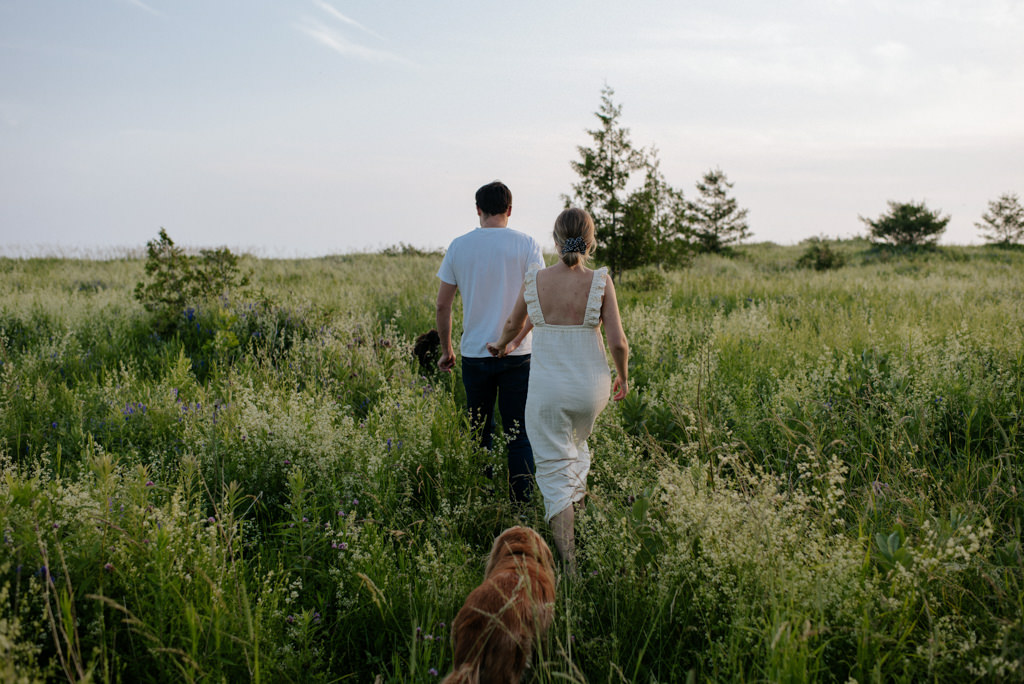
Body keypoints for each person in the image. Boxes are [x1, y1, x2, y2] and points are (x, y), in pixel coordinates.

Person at [487, 207, 629, 571]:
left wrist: (502, 344)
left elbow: (511, 323)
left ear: (555, 239)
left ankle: (571, 565)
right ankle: (578, 517)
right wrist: (623, 376)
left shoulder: (535, 279)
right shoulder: (601, 280)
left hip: (549, 392)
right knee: (576, 447)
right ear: (591, 240)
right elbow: (618, 344)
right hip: (591, 391)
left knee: (552, 469)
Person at [436, 181, 545, 504]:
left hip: (474, 355)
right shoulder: (527, 245)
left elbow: (443, 305)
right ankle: (521, 506)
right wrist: (516, 341)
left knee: (479, 432)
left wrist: (447, 350)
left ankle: (481, 498)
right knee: (518, 435)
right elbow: (537, 303)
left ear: (478, 210)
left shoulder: (459, 246)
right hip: (517, 355)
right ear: (510, 210)